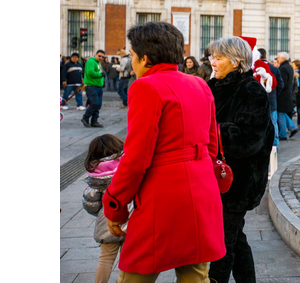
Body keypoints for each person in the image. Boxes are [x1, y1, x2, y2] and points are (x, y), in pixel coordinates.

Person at [102, 21, 225, 282]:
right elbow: (213, 145)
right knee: (195, 275)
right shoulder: (200, 85)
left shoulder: (146, 86)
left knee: (136, 274)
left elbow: (136, 158)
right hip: (202, 190)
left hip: (163, 195)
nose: (131, 63)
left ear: (145, 59)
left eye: (132, 56)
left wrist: (115, 203)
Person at [207, 36, 275, 283]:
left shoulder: (251, 90)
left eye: (219, 57)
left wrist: (212, 128)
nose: (212, 61)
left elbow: (249, 140)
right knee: (236, 238)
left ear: (236, 61)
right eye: (212, 56)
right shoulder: (212, 85)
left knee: (222, 244)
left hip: (239, 182)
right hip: (212, 177)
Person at [82, 134, 129, 283]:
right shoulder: (128, 167)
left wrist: (103, 211)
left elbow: (91, 203)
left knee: (106, 258)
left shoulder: (95, 176)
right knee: (128, 258)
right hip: (131, 218)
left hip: (107, 219)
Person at [259, 48, 283, 148]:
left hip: (259, 100)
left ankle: (263, 143)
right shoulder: (274, 69)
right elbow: (280, 84)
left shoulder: (254, 68)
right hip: (272, 99)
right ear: (265, 56)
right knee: (273, 122)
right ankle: (275, 143)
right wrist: (275, 94)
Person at [276, 52, 299, 140]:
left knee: (280, 113)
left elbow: (282, 83)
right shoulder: (289, 67)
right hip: (287, 94)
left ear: (283, 58)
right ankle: (292, 127)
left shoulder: (283, 68)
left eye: (278, 57)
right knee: (282, 113)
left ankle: (283, 134)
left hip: (282, 95)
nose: (277, 59)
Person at [82, 50, 107, 128]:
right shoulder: (91, 61)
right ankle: (85, 118)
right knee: (94, 103)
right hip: (91, 86)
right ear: (95, 54)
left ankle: (94, 121)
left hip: (98, 86)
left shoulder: (98, 63)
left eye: (102, 57)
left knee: (98, 105)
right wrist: (100, 75)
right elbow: (90, 72)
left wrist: (102, 82)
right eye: (99, 56)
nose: (101, 58)